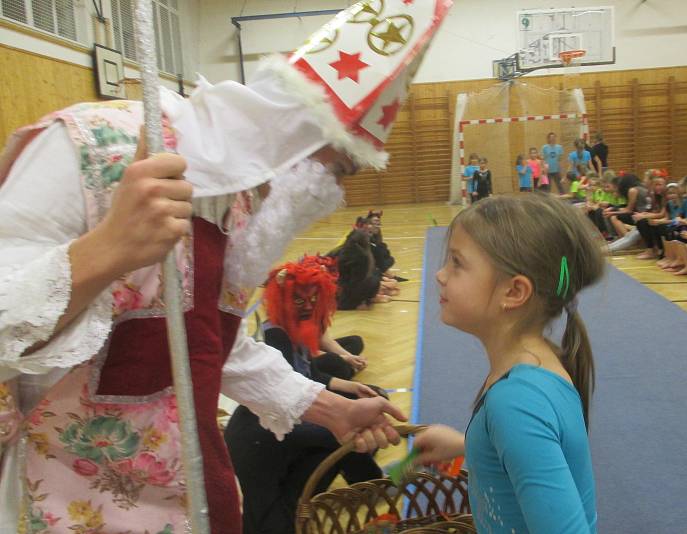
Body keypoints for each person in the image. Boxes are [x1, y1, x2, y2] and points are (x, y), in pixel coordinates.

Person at [0, 0, 451, 529]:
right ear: (292, 132)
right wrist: (108, 250)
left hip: (188, 495)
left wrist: (328, 408)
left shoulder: (239, 203)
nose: (335, 191)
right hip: (59, 502)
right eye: (341, 166)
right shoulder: (90, 150)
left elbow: (207, 343)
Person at [413, 194, 603, 533]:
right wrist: (466, 444)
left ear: (514, 292)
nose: (441, 275)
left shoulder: (515, 402)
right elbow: (531, 445)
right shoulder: (538, 362)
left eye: (457, 262)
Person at [225, 260, 383, 533]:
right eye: (299, 300)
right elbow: (288, 391)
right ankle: (370, 482)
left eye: (313, 299)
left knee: (356, 420)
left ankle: (354, 485)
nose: (308, 306)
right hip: (258, 437)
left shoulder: (299, 329)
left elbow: (310, 377)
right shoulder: (277, 334)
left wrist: (352, 389)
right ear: (283, 300)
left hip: (286, 422)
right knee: (265, 524)